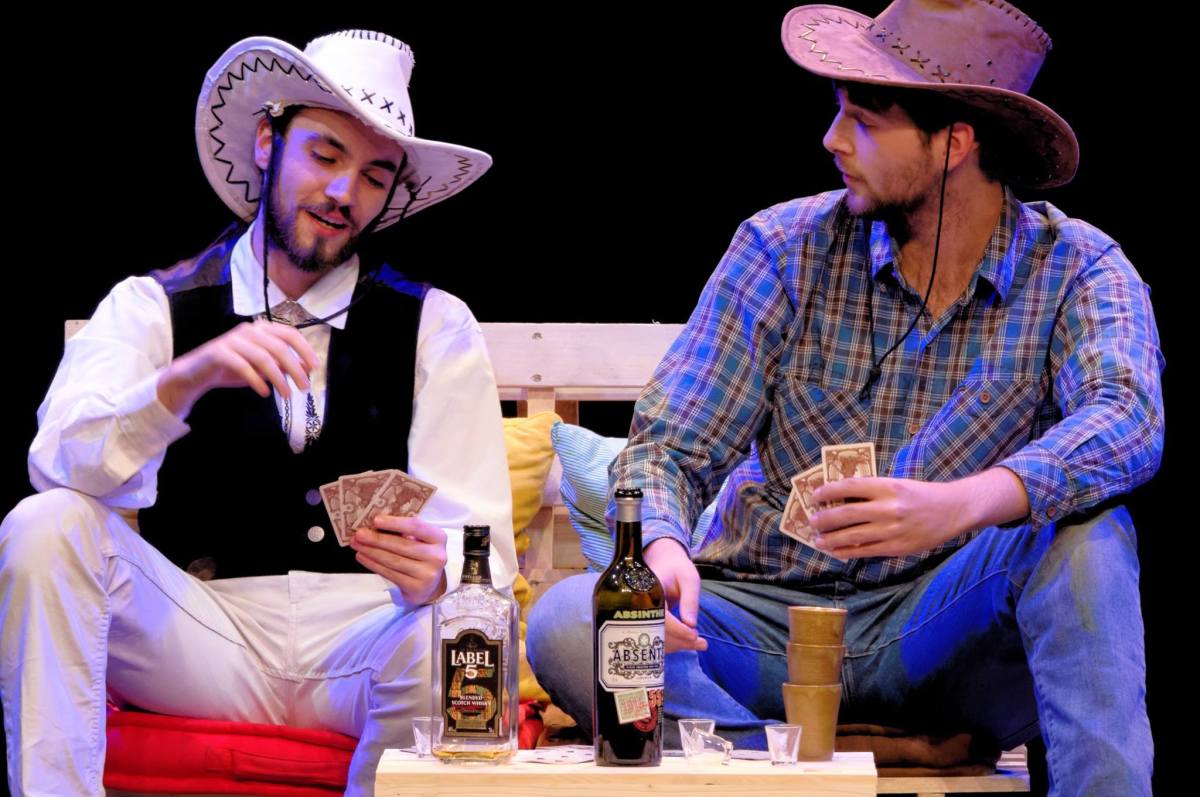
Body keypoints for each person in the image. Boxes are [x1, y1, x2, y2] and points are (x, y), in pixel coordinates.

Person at [528, 2, 1162, 793]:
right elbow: (668, 447)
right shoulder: (783, 248)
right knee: (572, 620)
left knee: (1089, 536)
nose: (832, 139)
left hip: (943, 631)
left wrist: (960, 504)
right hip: (766, 626)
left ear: (955, 143)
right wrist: (660, 548)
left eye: (863, 119)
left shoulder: (1076, 268)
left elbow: (1127, 418)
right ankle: (800, 764)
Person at [0, 29, 516, 797]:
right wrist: (181, 382)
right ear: (268, 142)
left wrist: (438, 574)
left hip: (366, 639)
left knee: (458, 633)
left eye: (373, 176)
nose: (343, 193)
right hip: (202, 635)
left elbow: (485, 550)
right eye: (326, 154)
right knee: (45, 524)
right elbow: (58, 464)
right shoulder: (154, 306)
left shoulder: (434, 325)